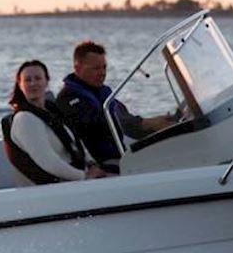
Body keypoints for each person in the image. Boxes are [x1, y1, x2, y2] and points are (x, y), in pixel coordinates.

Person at [57, 40, 176, 169]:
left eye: (104, 67)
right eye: (96, 68)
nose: (102, 72)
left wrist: (156, 124)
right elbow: (98, 125)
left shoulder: (103, 92)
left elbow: (125, 117)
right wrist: (145, 123)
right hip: (103, 163)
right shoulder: (68, 99)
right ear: (77, 68)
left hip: (125, 153)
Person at [2, 60, 107, 186]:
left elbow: (77, 144)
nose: (33, 83)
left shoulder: (53, 112)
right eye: (27, 80)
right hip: (54, 190)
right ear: (20, 84)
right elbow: (48, 162)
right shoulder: (24, 119)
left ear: (46, 82)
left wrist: (92, 164)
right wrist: (84, 177)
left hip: (75, 181)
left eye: (38, 78)